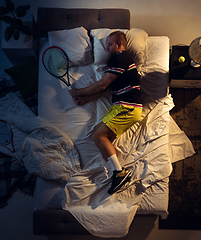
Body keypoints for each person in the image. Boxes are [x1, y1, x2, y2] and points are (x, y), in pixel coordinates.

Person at [69, 31, 142, 194]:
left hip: (127, 107)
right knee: (103, 139)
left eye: (110, 44)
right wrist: (85, 99)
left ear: (120, 45)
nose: (107, 48)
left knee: (98, 136)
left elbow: (102, 84)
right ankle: (117, 171)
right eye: (106, 45)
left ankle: (120, 172)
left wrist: (79, 91)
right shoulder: (117, 64)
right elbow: (105, 88)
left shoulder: (121, 58)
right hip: (124, 107)